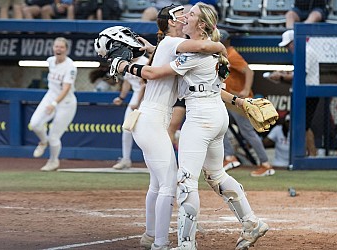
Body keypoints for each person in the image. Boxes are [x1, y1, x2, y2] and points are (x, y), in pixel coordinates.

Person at [113, 3, 269, 250]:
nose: (186, 17)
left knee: (185, 182)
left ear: (202, 25)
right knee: (216, 175)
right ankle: (251, 222)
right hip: (217, 116)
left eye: (192, 15)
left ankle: (186, 244)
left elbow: (154, 73)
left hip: (200, 118)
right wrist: (240, 101)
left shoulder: (197, 52)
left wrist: (123, 65)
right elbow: (213, 85)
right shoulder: (208, 52)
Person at [106, 4, 227, 250]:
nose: (184, 17)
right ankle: (160, 244)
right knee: (169, 183)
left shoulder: (166, 45)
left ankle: (150, 236)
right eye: (180, 15)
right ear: (171, 22)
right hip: (152, 118)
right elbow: (204, 46)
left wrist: (146, 50)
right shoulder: (172, 43)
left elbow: (163, 55)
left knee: (157, 184)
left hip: (152, 118)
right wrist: (221, 45)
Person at [218, 29, 275, 177]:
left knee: (248, 133)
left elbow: (249, 71)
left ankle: (265, 164)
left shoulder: (232, 54)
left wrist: (246, 89)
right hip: (230, 99)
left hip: (240, 101)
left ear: (224, 40)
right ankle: (230, 157)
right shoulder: (223, 55)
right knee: (219, 124)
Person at [268, 29, 320, 156]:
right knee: (302, 126)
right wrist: (282, 76)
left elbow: (301, 75)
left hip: (308, 93)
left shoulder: (306, 51)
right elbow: (297, 75)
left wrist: (280, 76)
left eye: (288, 44)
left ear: (294, 41)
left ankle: (310, 155)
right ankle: (307, 155)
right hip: (303, 93)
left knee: (304, 126)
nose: (287, 48)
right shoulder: (302, 51)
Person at [30, 37, 77, 171]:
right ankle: (43, 141)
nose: (58, 49)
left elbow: (66, 88)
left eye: (61, 47)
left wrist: (54, 104)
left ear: (66, 49)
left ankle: (53, 161)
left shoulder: (70, 67)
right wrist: (52, 101)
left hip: (66, 102)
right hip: (50, 95)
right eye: (56, 46)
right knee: (35, 124)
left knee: (54, 136)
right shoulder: (50, 61)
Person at [112, 55, 148, 170]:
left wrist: (138, 102)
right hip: (135, 98)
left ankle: (152, 161)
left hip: (148, 98)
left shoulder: (145, 62)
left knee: (148, 131)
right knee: (126, 128)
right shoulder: (126, 62)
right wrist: (121, 98)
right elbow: (127, 82)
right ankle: (126, 159)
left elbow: (146, 85)